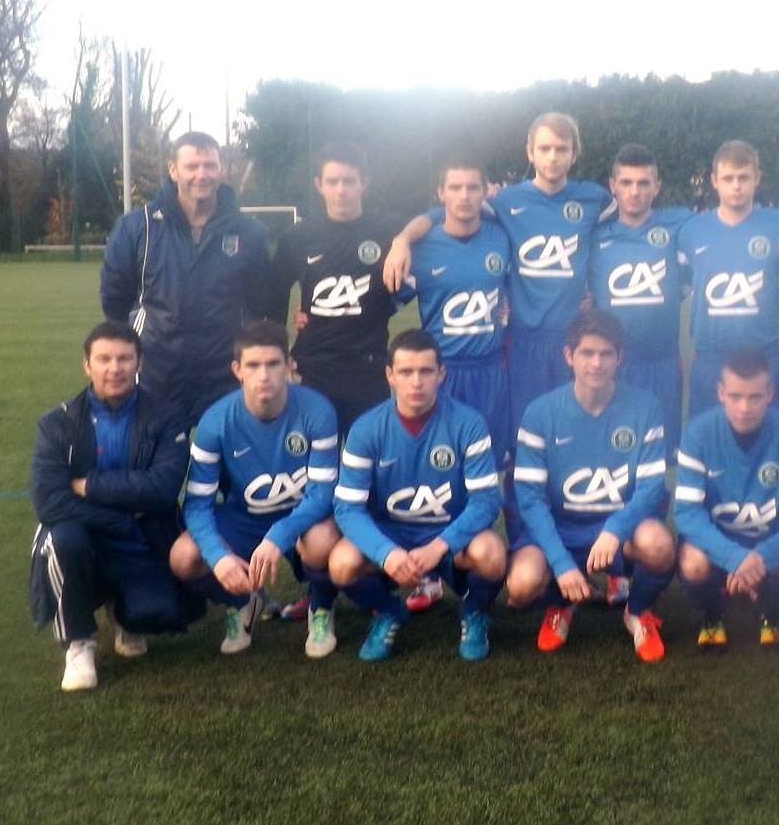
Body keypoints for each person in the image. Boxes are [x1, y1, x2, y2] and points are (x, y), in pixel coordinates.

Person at [384, 113, 612, 434]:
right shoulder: (506, 202)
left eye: (562, 149)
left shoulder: (594, 199)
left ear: (575, 153)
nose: (552, 157)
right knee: (523, 432)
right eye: (544, 148)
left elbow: (622, 233)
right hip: (521, 341)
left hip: (573, 338)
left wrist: (594, 291)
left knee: (574, 429)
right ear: (530, 152)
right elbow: (451, 211)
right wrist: (403, 239)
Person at [27, 322, 200, 691]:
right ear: (86, 365)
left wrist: (88, 486)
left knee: (158, 615)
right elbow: (49, 501)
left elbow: (162, 489)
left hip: (141, 532)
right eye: (104, 359)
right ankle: (78, 643)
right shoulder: (57, 423)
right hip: (94, 528)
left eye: (124, 358)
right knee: (62, 540)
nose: (114, 368)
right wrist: (119, 520)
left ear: (139, 363)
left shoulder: (167, 416)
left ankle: (126, 615)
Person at [327, 329, 507, 662]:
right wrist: (386, 553)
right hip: (391, 533)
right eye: (406, 372)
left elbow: (486, 502)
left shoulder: (468, 424)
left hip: (448, 534)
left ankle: (474, 612)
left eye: (425, 371)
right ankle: (388, 611)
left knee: (492, 553)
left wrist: (440, 546)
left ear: (441, 373)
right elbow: (347, 508)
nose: (416, 382)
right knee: (341, 563)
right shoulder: (365, 429)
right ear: (389, 375)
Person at [506, 310, 676, 662]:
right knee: (521, 585)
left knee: (658, 545)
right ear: (569, 356)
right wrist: (560, 562)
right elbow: (530, 500)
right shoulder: (539, 413)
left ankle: (637, 610)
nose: (596, 363)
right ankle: (560, 604)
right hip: (560, 528)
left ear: (619, 357)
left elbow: (651, 487)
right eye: (587, 353)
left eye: (605, 354)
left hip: (619, 531)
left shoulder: (645, 408)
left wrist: (615, 530)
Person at [169, 321, 342, 657]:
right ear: (237, 370)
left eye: (273, 363)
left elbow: (323, 494)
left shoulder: (318, 411)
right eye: (253, 365)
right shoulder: (214, 422)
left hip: (303, 517)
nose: (264, 376)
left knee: (323, 541)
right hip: (244, 517)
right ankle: (242, 601)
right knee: (184, 557)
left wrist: (279, 536)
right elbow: (197, 504)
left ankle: (321, 607)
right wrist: (219, 558)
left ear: (289, 364)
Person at [394, 156, 515, 614]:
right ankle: (427, 575)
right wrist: (401, 239)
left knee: (492, 469)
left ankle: (492, 561)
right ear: (440, 193)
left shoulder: (501, 237)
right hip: (441, 375)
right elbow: (386, 300)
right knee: (435, 471)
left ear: (485, 192)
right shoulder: (421, 247)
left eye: (473, 187)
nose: (465, 196)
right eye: (455, 187)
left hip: (490, 372)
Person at [100, 132, 274, 423]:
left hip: (225, 377)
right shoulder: (137, 227)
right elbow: (114, 300)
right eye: (192, 166)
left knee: (224, 453)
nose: (201, 175)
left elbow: (262, 304)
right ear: (173, 169)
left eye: (210, 165)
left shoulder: (249, 232)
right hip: (156, 375)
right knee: (159, 453)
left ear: (221, 170)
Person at [674, 347, 779, 651]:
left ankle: (771, 610)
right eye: (735, 396)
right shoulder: (698, 434)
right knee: (692, 563)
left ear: (770, 393)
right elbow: (687, 513)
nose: (744, 407)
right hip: (719, 542)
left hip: (771, 543)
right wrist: (734, 557)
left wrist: (759, 558)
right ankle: (713, 614)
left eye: (755, 397)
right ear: (721, 392)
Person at [272, 143, 398, 437]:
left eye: (349, 181)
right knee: (313, 456)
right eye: (332, 181)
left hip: (368, 369)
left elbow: (431, 227)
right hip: (313, 369)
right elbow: (272, 297)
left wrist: (404, 241)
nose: (341, 190)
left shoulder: (389, 231)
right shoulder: (297, 237)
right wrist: (280, 352)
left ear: (364, 182)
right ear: (319, 184)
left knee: (367, 457)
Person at [587, 143, 693, 454]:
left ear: (657, 186)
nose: (635, 192)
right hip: (613, 365)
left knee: (658, 453)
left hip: (662, 363)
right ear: (613, 186)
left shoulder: (679, 225)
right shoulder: (594, 236)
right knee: (612, 450)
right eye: (627, 182)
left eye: (644, 183)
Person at [678, 140, 779, 416]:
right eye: (728, 178)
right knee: (708, 438)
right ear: (714, 181)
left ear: (757, 179)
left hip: (764, 358)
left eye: (744, 178)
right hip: (711, 360)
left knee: (771, 438)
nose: (736, 186)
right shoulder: (692, 231)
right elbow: (682, 284)